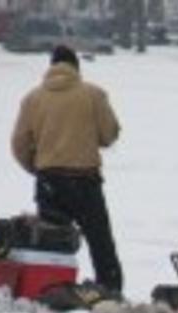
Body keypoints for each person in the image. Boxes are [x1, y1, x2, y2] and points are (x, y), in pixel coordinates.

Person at [11, 45, 124, 293]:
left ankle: (49, 287)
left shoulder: (32, 99)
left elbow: (19, 143)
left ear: (51, 66)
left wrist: (38, 167)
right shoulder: (94, 95)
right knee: (100, 241)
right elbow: (109, 134)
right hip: (85, 181)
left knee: (51, 241)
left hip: (49, 181)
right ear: (76, 67)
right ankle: (110, 288)